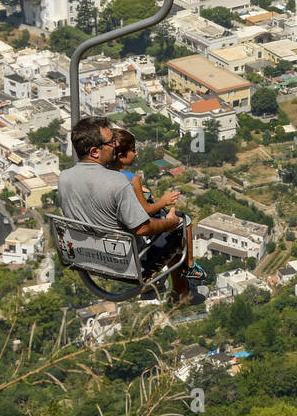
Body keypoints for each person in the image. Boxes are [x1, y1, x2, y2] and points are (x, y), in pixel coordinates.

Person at [57, 116, 197, 303]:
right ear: (95, 152)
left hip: (87, 260)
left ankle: (155, 284)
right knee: (180, 224)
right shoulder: (119, 182)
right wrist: (169, 223)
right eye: (111, 141)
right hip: (127, 264)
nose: (116, 144)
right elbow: (142, 228)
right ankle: (181, 293)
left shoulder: (64, 178)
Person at [106, 128, 204, 285]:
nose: (136, 154)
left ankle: (165, 286)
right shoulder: (132, 179)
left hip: (113, 246)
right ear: (121, 155)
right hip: (136, 249)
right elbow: (146, 211)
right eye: (132, 150)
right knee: (184, 221)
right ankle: (189, 266)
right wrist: (164, 201)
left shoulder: (104, 174)